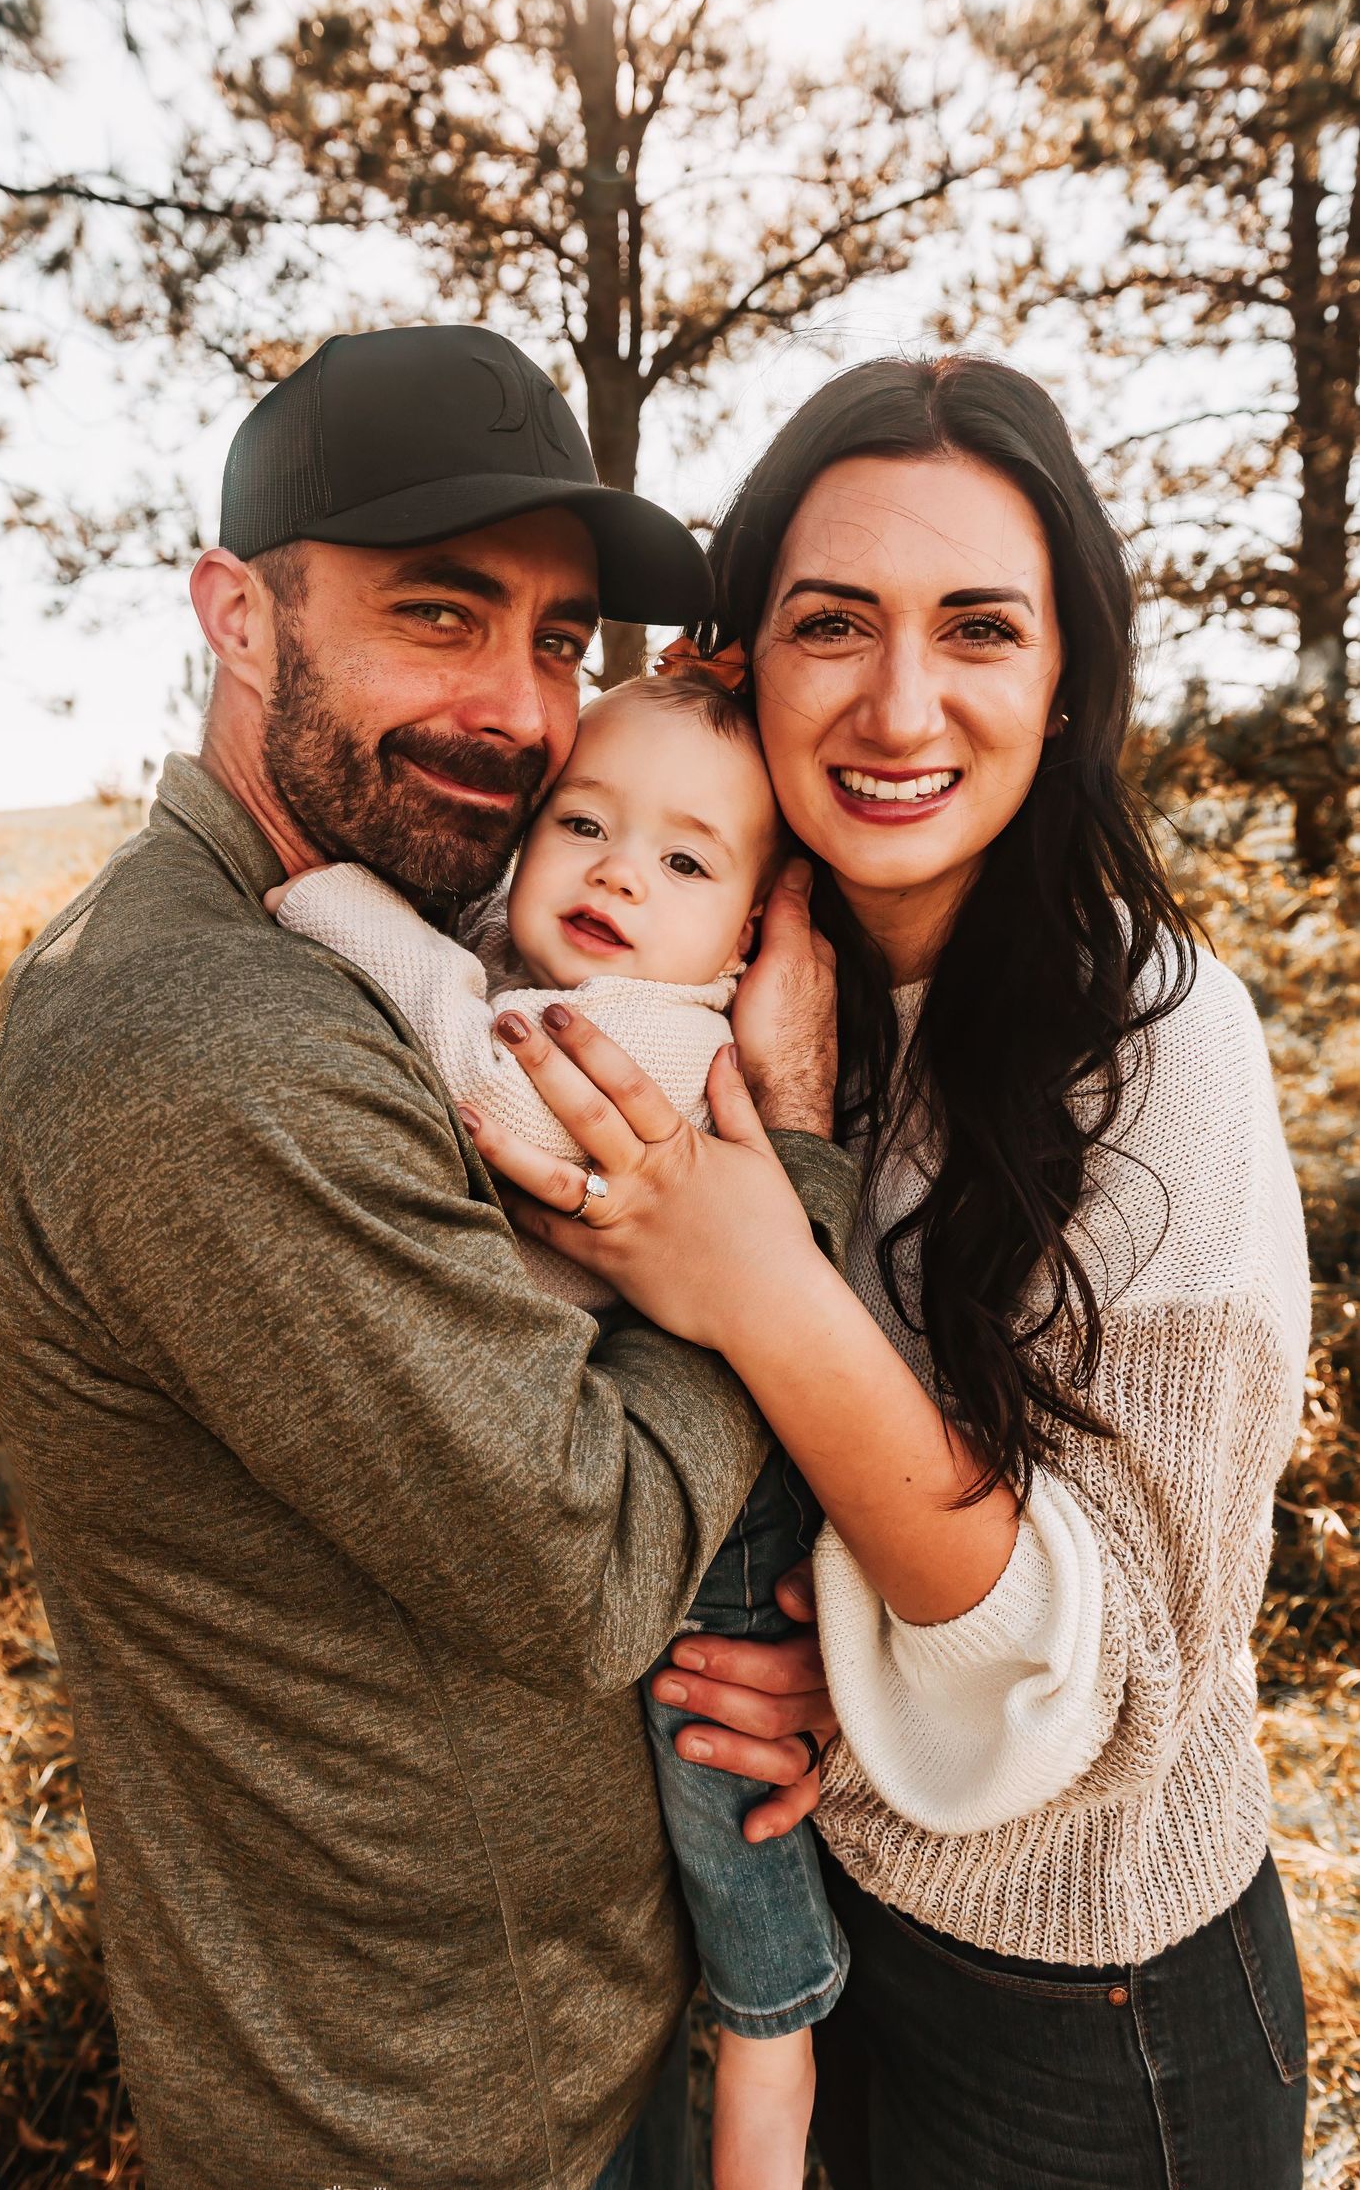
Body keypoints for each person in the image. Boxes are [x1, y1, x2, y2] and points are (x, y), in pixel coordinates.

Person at [0, 324, 844, 2190]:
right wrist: (793, 1182)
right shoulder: (211, 1039)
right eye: (439, 614)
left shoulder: (362, 927)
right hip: (441, 2120)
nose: (522, 715)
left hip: (547, 2036)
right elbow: (595, 1564)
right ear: (239, 616)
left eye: (559, 640)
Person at [467, 354, 1313, 2189]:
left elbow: (1114, 1677)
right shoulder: (716, 976)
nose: (900, 703)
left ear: (1066, 675)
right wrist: (826, 1676)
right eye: (833, 623)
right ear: (739, 661)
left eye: (980, 628)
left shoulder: (1158, 1045)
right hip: (806, 1928)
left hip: (1091, 2007)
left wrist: (758, 1271)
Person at [270, 670, 848, 2189]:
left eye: (684, 859)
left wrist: (336, 903)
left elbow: (499, 1094)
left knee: (727, 1809)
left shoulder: (647, 1034)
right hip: (649, 1441)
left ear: (747, 941)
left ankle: (772, 2073)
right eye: (585, 824)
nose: (619, 873)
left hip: (724, 1516)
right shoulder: (552, 963)